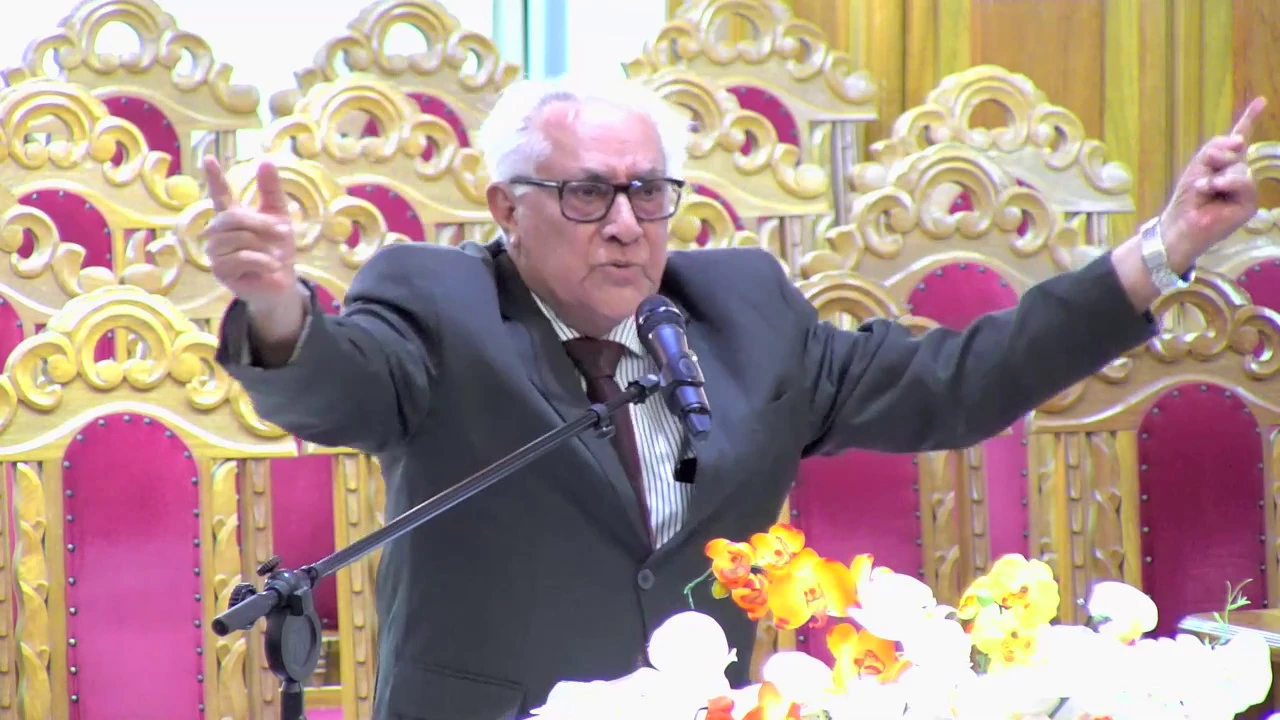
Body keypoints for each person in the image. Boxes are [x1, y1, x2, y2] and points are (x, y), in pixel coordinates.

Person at [205, 74, 1267, 720]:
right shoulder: (438, 302)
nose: (626, 223)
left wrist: (1158, 253)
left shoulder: (743, 315)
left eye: (647, 191)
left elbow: (951, 385)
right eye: (586, 193)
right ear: (506, 208)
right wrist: (278, 308)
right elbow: (342, 389)